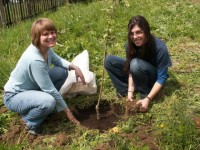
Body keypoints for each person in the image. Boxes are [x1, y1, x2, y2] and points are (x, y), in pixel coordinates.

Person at [3, 18, 86, 135]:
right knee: (49, 101)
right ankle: (29, 121)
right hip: (14, 97)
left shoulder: (45, 48)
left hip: (31, 88)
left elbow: (58, 60)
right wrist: (68, 112)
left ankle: (41, 106)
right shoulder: (35, 59)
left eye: (52, 32)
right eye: (45, 34)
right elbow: (49, 89)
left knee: (61, 72)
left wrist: (75, 67)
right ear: (37, 37)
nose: (51, 36)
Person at [104, 15, 172, 112]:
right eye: (131, 33)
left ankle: (145, 94)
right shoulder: (130, 45)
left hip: (153, 79)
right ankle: (125, 93)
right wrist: (130, 91)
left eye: (139, 32)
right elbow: (130, 68)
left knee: (135, 64)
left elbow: (162, 78)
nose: (135, 37)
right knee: (109, 60)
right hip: (137, 71)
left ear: (146, 31)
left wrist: (148, 99)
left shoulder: (160, 48)